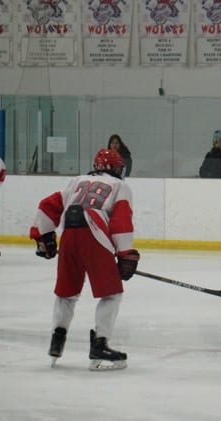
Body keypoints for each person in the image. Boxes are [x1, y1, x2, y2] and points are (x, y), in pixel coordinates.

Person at [30, 148, 140, 371]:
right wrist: (125, 252)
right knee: (112, 293)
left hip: (69, 235)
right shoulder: (120, 186)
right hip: (94, 235)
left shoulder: (77, 180)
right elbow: (120, 221)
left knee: (66, 291)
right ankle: (100, 344)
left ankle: (57, 338)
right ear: (117, 169)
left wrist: (43, 237)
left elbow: (47, 206)